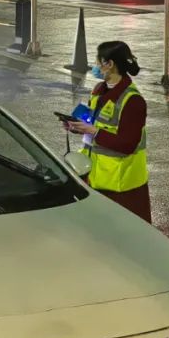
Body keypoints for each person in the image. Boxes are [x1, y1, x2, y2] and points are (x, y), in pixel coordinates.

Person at [66, 41, 151, 223]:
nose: (95, 67)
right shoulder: (99, 90)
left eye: (98, 63)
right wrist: (77, 127)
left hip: (122, 188)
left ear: (110, 64)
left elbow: (128, 144)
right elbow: (92, 124)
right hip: (95, 178)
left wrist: (95, 132)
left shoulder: (133, 101)